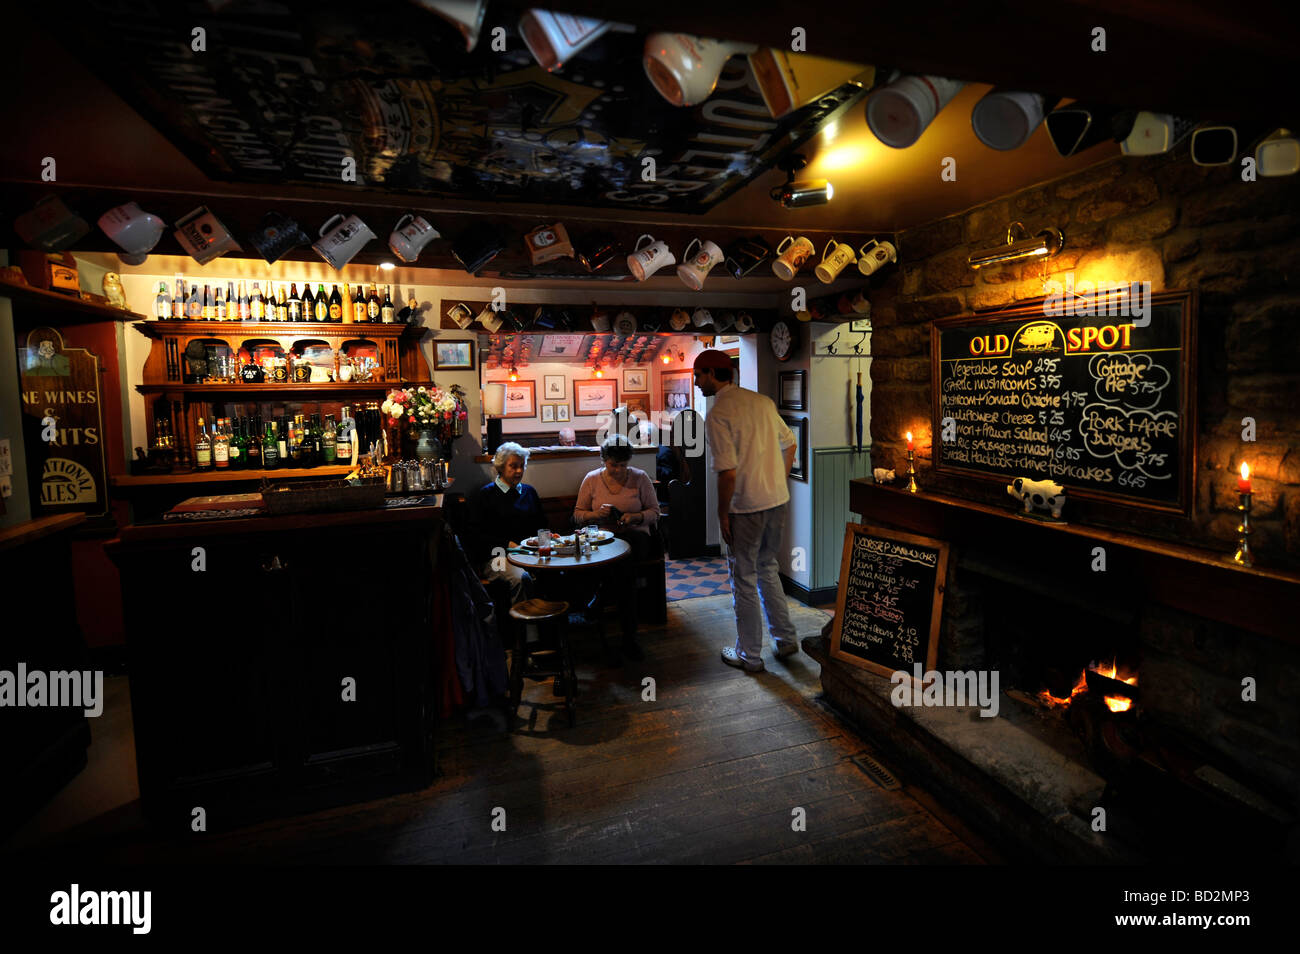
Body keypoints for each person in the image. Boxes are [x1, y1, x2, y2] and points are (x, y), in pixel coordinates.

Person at [693, 350, 799, 673]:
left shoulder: (718, 413)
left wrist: (722, 514)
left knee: (744, 578)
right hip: (777, 501)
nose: (696, 383)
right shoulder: (763, 402)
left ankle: (750, 656)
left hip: (746, 507)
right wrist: (776, 482)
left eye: (698, 375)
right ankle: (785, 639)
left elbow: (727, 473)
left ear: (712, 373)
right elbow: (790, 442)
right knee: (768, 567)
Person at [574, 435, 660, 659]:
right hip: (602, 537)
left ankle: (599, 605)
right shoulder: (592, 479)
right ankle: (629, 638)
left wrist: (635, 517)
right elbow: (577, 515)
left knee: (622, 562)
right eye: (614, 465)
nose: (619, 470)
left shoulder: (640, 478)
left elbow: (655, 512)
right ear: (604, 460)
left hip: (635, 538)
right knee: (623, 576)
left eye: (623, 465)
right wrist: (596, 514)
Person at [464, 442, 546, 605]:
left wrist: (543, 538)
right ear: (500, 467)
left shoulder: (529, 492)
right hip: (496, 556)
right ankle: (525, 629)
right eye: (513, 466)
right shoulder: (486, 495)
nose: (519, 471)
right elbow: (476, 536)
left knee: (553, 574)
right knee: (521, 577)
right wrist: (508, 544)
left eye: (522, 466)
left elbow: (542, 524)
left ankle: (550, 626)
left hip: (528, 554)